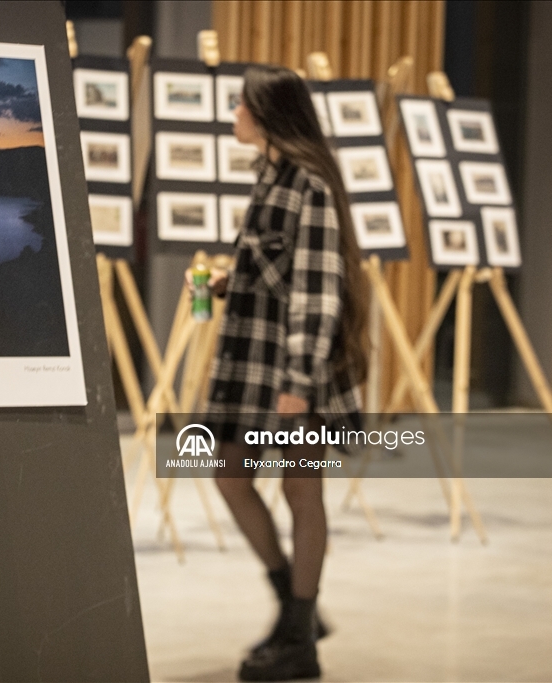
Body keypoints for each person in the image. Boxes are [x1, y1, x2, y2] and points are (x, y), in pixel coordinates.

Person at [194, 64, 368, 682]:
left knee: (300, 489)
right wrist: (227, 281)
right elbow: (278, 269)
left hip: (296, 371)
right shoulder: (268, 175)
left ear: (267, 113)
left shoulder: (309, 185)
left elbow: (317, 295)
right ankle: (297, 607)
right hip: (255, 363)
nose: (233, 113)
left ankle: (300, 640)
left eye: (240, 104)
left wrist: (297, 383)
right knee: (230, 474)